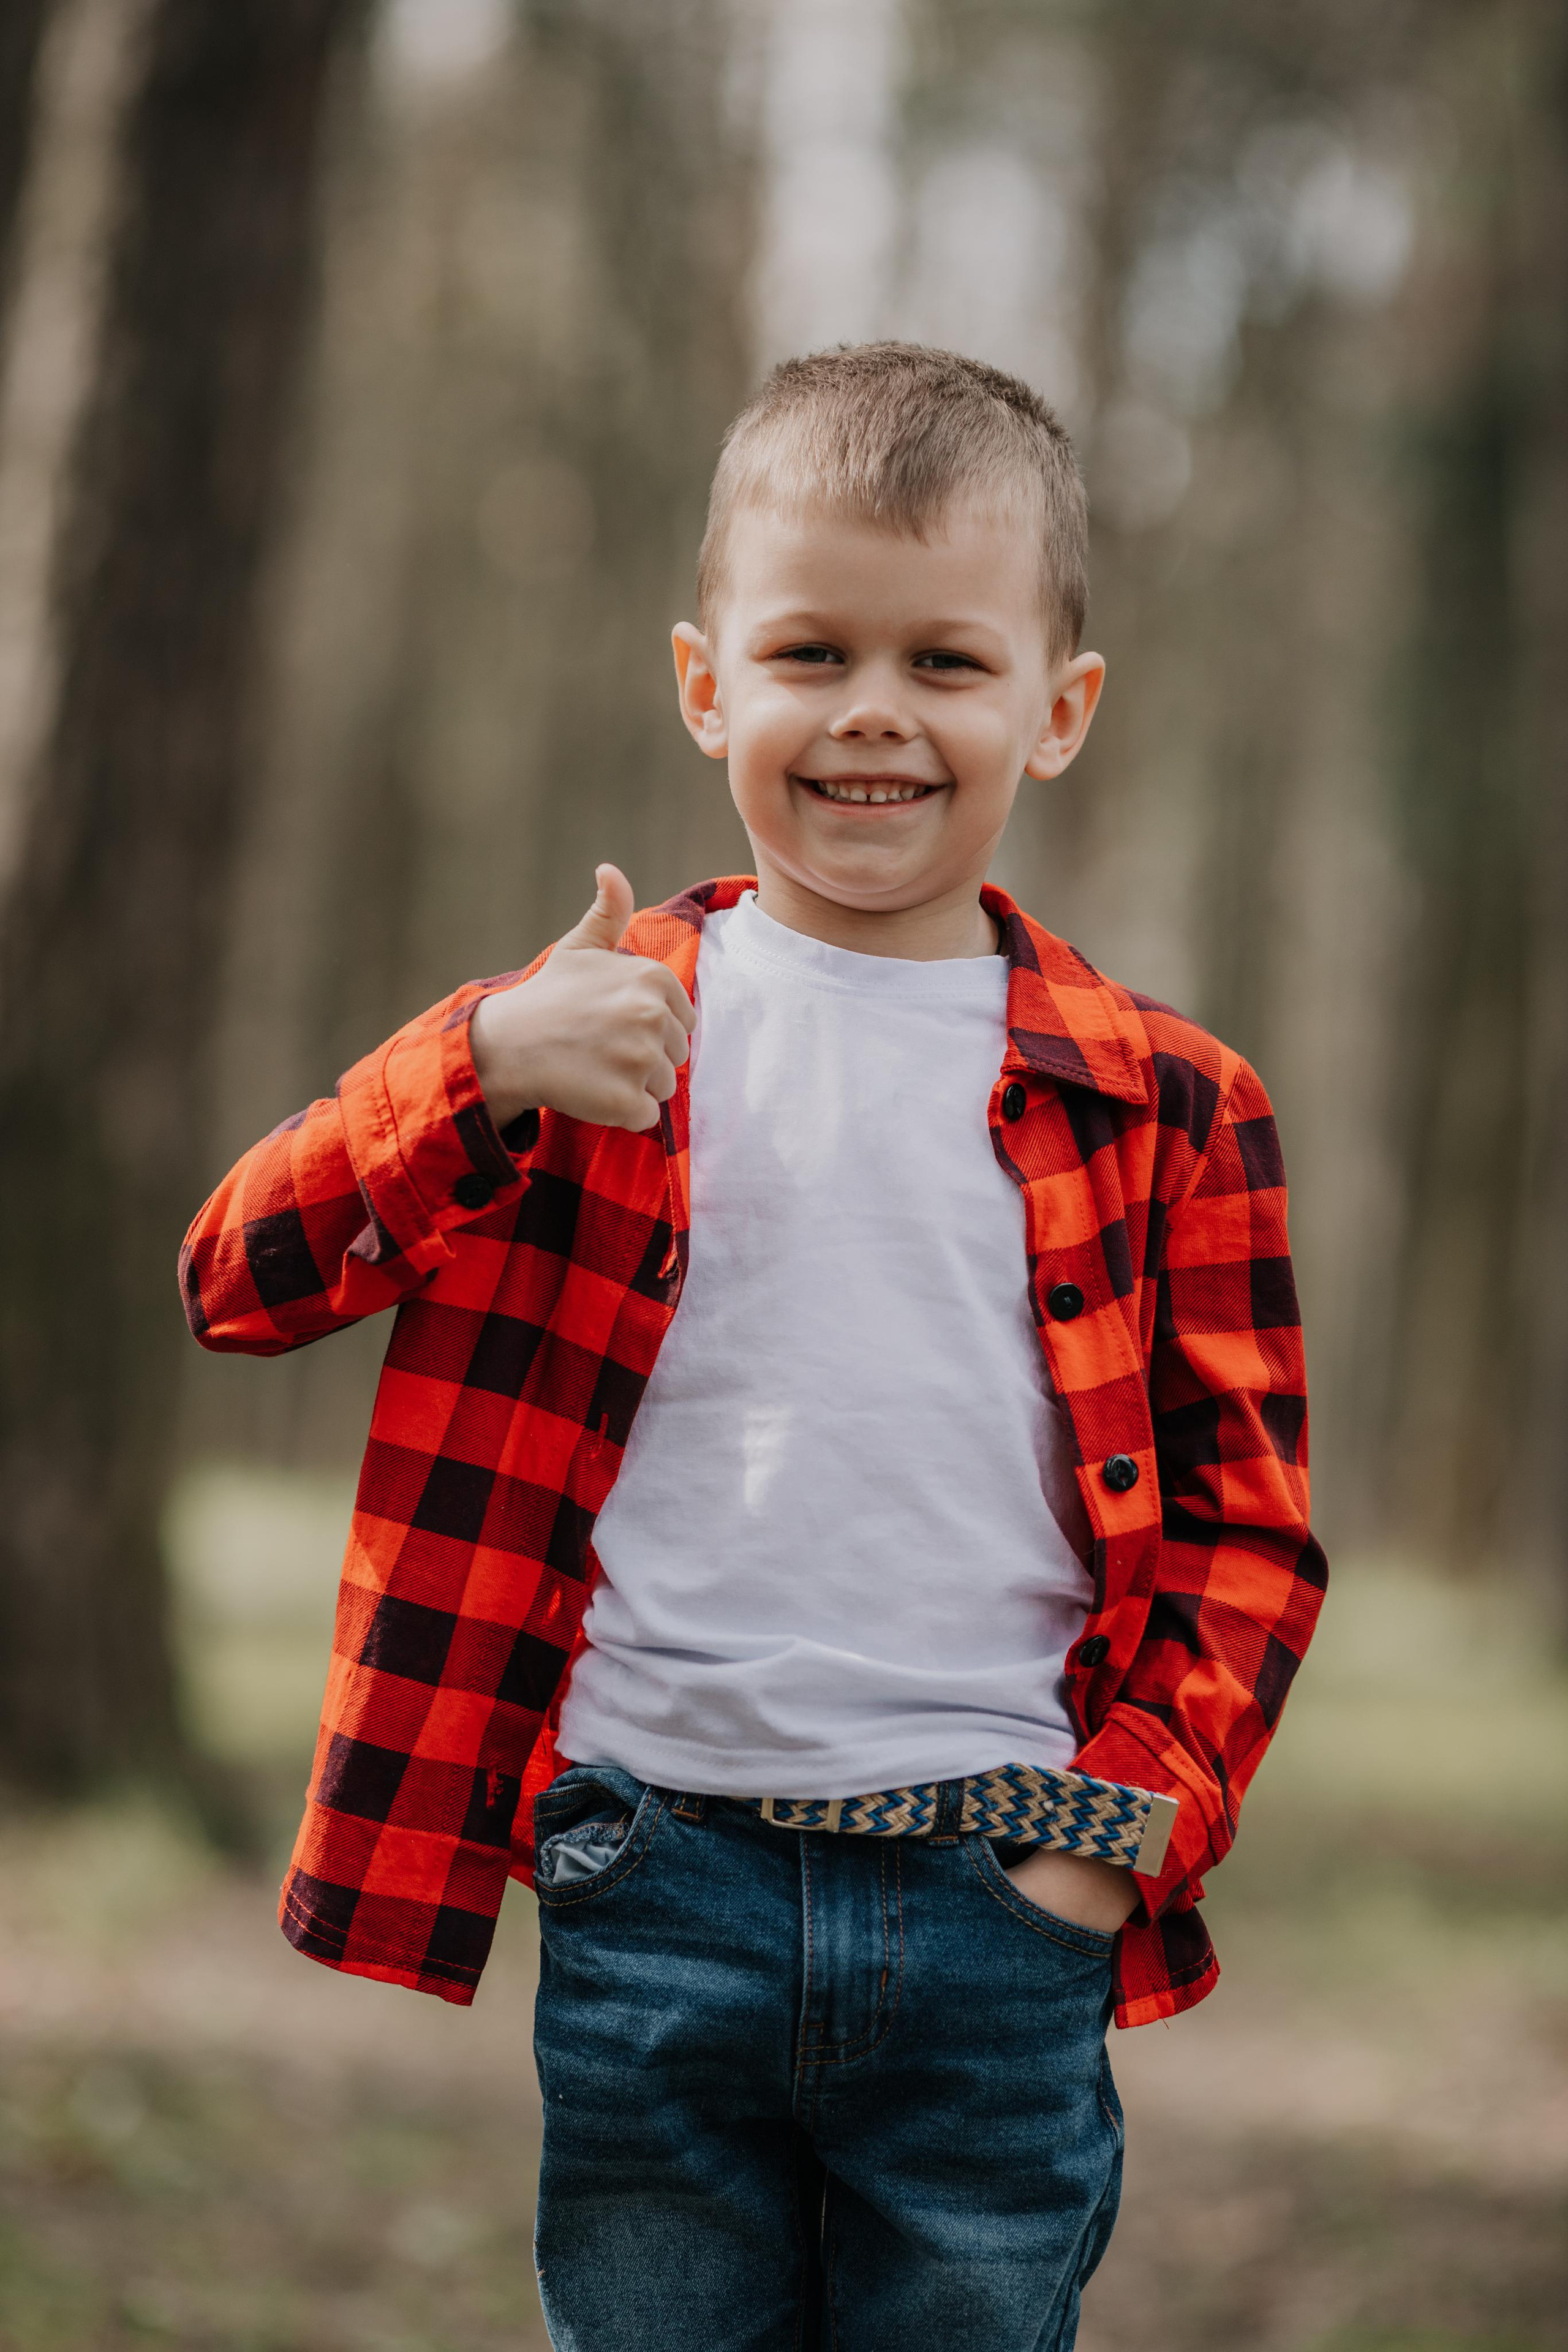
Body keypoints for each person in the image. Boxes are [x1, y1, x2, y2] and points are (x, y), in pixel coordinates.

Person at [181, 342, 1325, 2351]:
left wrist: (1121, 1827)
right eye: (811, 653)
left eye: (947, 666)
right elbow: (238, 1282)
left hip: (1004, 1879)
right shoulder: (587, 1039)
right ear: (710, 684)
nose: (872, 712)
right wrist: (475, 1067)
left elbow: (1252, 1532)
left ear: (1055, 714)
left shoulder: (1173, 1103)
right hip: (655, 1877)